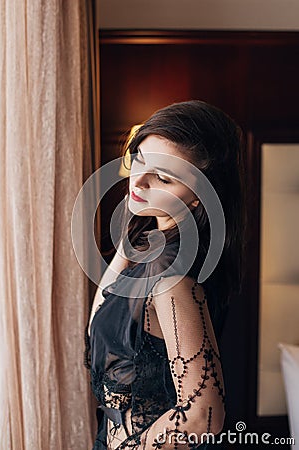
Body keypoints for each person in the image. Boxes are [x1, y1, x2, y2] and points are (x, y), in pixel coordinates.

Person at [84, 100, 247, 449]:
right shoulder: (151, 250)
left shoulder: (171, 278)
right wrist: (130, 245)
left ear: (197, 199)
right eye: (139, 160)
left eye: (162, 177)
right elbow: (99, 314)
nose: (138, 181)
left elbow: (203, 414)